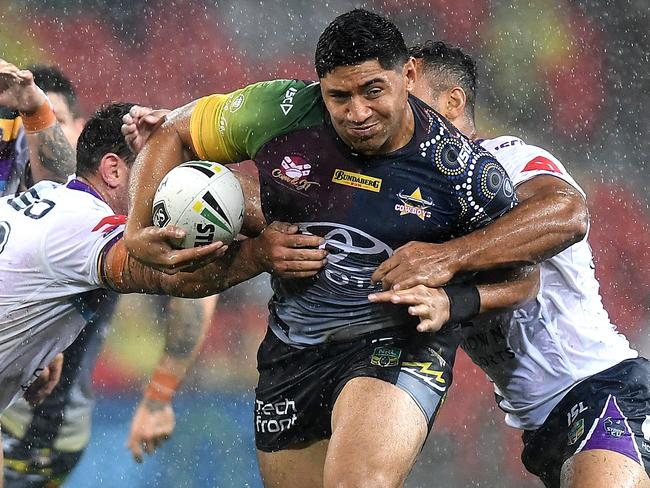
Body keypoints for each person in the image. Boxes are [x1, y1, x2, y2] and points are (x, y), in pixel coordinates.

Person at [121, 9, 536, 487]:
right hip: (294, 349)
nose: (357, 113)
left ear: (408, 75)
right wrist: (136, 230)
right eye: (339, 96)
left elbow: (524, 275)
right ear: (320, 86)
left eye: (373, 91)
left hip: (398, 343)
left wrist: (453, 299)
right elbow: (172, 130)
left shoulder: (461, 170)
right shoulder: (278, 111)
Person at [370, 40, 650, 488]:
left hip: (603, 388)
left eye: (409, 97)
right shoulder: (415, 205)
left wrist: (447, 258)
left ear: (452, 101)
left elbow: (568, 213)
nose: (393, 114)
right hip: (540, 429)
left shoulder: (505, 161)